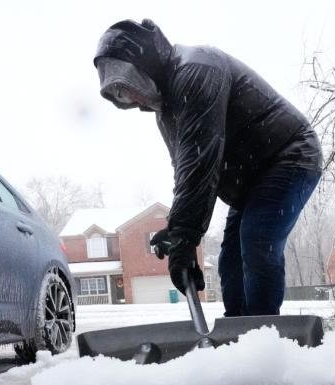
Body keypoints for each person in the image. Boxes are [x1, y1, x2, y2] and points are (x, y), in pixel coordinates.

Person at [93, 19, 321, 316]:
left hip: (288, 155)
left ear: (147, 63)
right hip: (250, 180)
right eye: (122, 94)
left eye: (131, 85)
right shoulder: (166, 111)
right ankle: (238, 338)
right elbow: (187, 172)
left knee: (257, 239)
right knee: (230, 260)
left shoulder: (197, 70)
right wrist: (177, 229)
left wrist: (186, 239)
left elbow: (202, 164)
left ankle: (265, 337)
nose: (132, 98)